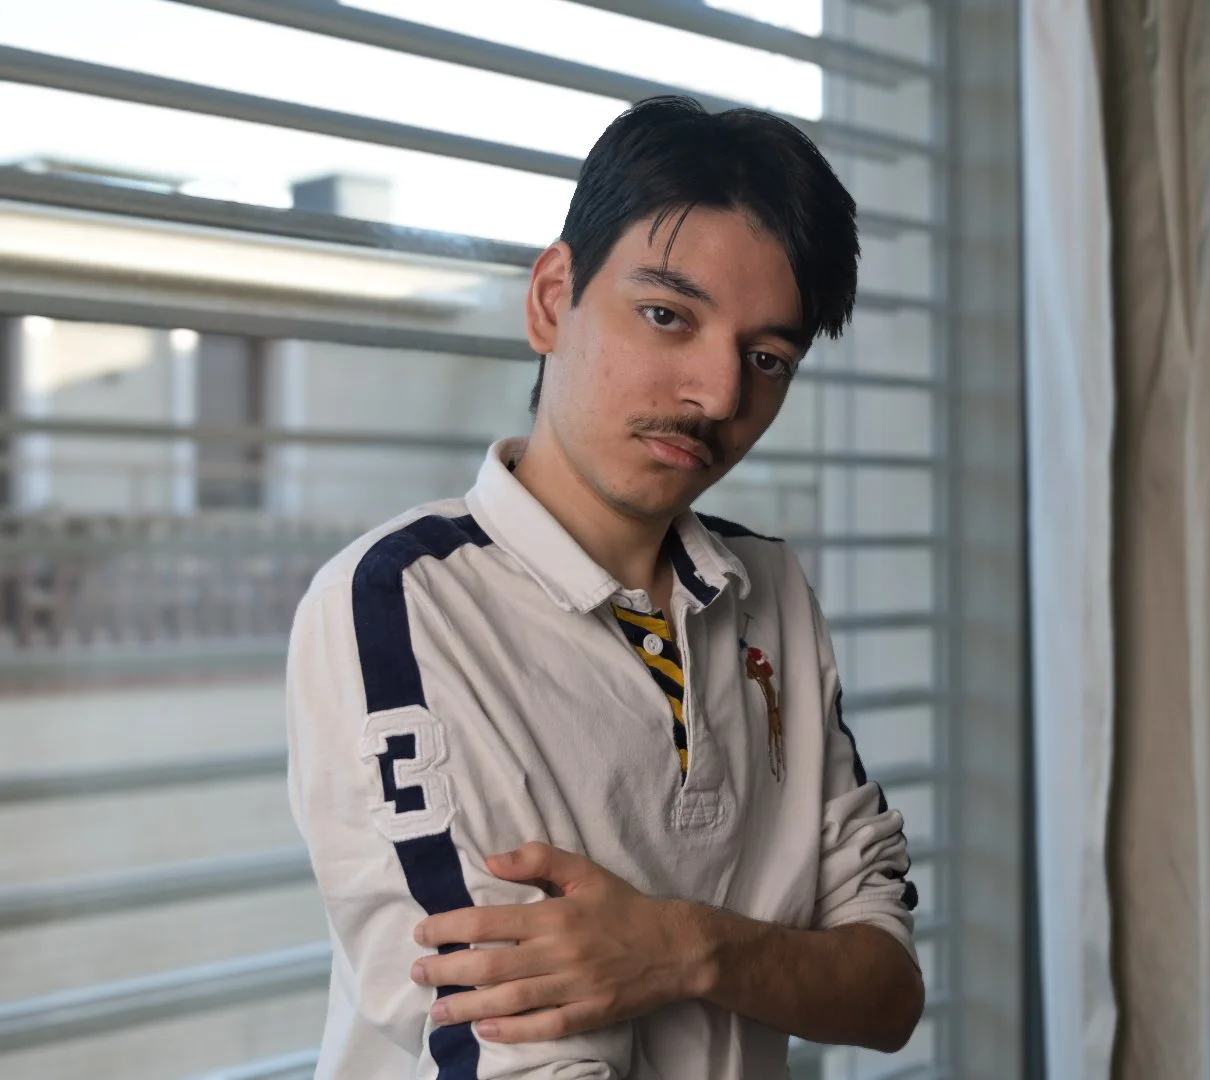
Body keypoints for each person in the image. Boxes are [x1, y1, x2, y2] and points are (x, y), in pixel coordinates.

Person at [286, 95, 923, 1079]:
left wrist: (683, 950)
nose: (716, 395)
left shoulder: (770, 587)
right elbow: (512, 1054)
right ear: (551, 298)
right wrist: (766, 963)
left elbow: (886, 989)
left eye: (766, 359)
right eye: (667, 316)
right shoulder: (401, 604)